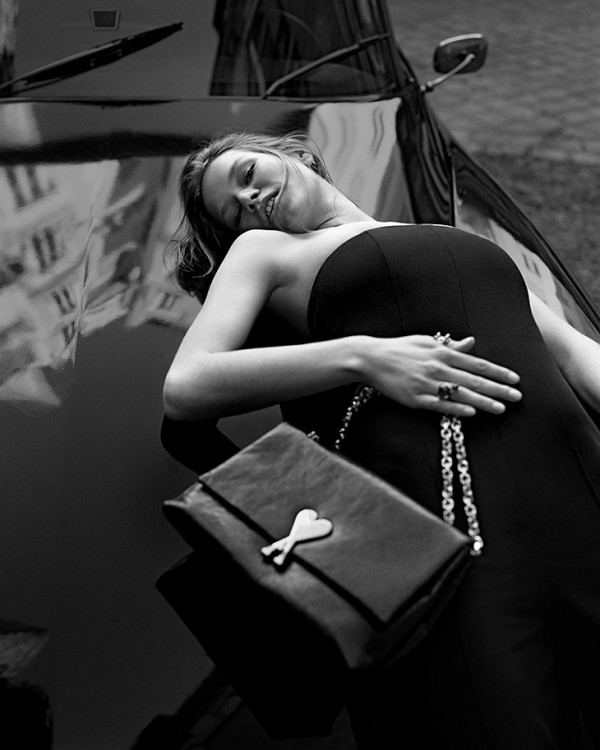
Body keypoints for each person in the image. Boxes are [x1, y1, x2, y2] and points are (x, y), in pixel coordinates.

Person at [162, 130, 600, 749]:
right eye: (233, 211)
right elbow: (186, 387)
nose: (249, 198)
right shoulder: (267, 252)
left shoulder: (452, 237)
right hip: (452, 524)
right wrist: (366, 356)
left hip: (579, 488)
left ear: (295, 155)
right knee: (498, 716)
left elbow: (578, 358)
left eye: (248, 174)